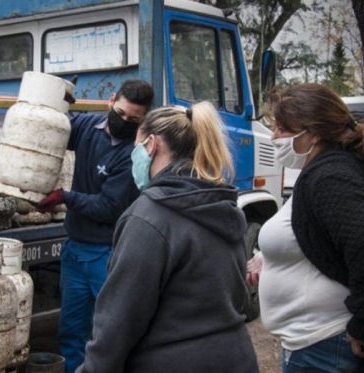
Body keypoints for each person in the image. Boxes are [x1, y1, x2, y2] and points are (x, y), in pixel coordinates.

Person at [75, 102, 258, 372]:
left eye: (136, 147)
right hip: (235, 357)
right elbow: (236, 297)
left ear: (151, 144)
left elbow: (119, 321)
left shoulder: (149, 216)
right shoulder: (223, 204)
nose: (132, 156)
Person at [38, 80, 154, 373]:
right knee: (71, 330)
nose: (124, 122)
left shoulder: (134, 155)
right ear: (111, 100)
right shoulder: (89, 126)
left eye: (134, 119)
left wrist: (64, 196)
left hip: (107, 254)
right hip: (75, 250)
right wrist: (55, 104)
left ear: (144, 118)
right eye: (121, 112)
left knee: (108, 334)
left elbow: (107, 207)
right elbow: (55, 130)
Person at [247, 83, 364, 372]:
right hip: (314, 345)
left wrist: (361, 324)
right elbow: (313, 233)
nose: (273, 138)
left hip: (326, 345)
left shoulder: (330, 176)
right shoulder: (320, 169)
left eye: (281, 130)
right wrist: (270, 258)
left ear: (311, 133)